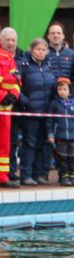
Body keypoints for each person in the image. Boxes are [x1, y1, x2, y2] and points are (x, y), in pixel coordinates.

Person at [17, 38, 57, 186]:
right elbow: (16, 86)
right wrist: (26, 102)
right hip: (31, 112)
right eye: (38, 49)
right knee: (29, 143)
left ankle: (38, 174)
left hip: (46, 112)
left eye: (43, 50)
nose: (41, 52)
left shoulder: (49, 66)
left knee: (43, 144)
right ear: (31, 50)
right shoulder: (23, 64)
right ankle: (26, 174)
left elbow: (55, 86)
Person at [48, 78, 74, 186]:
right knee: (62, 157)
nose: (62, 91)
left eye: (65, 89)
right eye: (60, 89)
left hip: (73, 135)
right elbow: (50, 120)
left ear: (69, 90)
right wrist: (51, 133)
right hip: (60, 135)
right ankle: (64, 175)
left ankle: (72, 175)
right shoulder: (54, 104)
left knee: (73, 156)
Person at [0, 34, 20, 188]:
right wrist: (2, 96)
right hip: (2, 102)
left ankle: (3, 176)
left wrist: (13, 95)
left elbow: (17, 80)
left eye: (13, 40)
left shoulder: (8, 57)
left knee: (5, 143)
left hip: (6, 109)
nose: (10, 43)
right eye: (8, 39)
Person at [46, 22, 74, 101]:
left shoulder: (72, 54)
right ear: (48, 36)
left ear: (63, 36)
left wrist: (72, 94)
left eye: (58, 33)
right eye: (53, 33)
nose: (56, 35)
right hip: (49, 99)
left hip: (68, 98)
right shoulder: (43, 54)